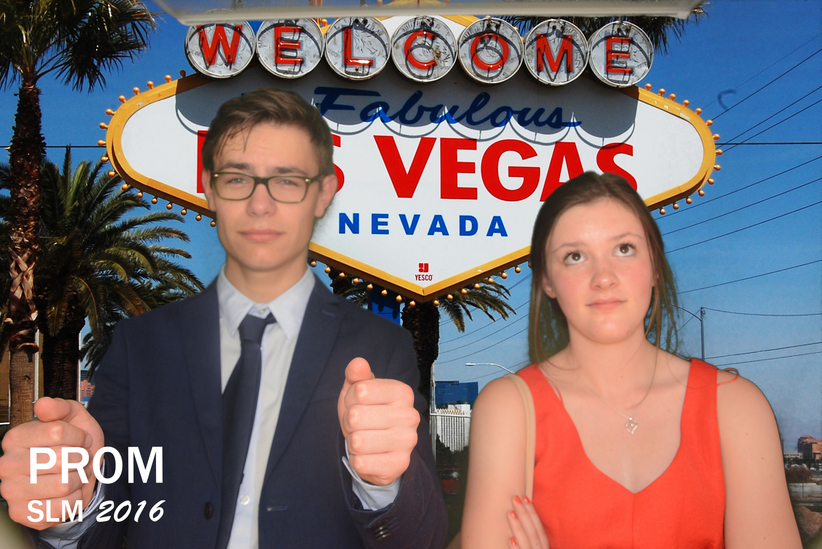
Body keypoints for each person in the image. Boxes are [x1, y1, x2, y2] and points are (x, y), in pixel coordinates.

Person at [0, 88, 448, 549]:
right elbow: (107, 521)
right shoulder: (140, 345)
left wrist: (383, 484)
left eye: (288, 180)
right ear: (210, 190)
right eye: (238, 179)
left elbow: (425, 539)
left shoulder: (381, 346)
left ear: (323, 193)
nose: (260, 204)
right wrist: (71, 506)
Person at [461, 172, 801, 548]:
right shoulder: (509, 407)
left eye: (624, 249)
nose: (603, 277)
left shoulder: (736, 407)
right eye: (575, 256)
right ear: (547, 281)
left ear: (655, 266)